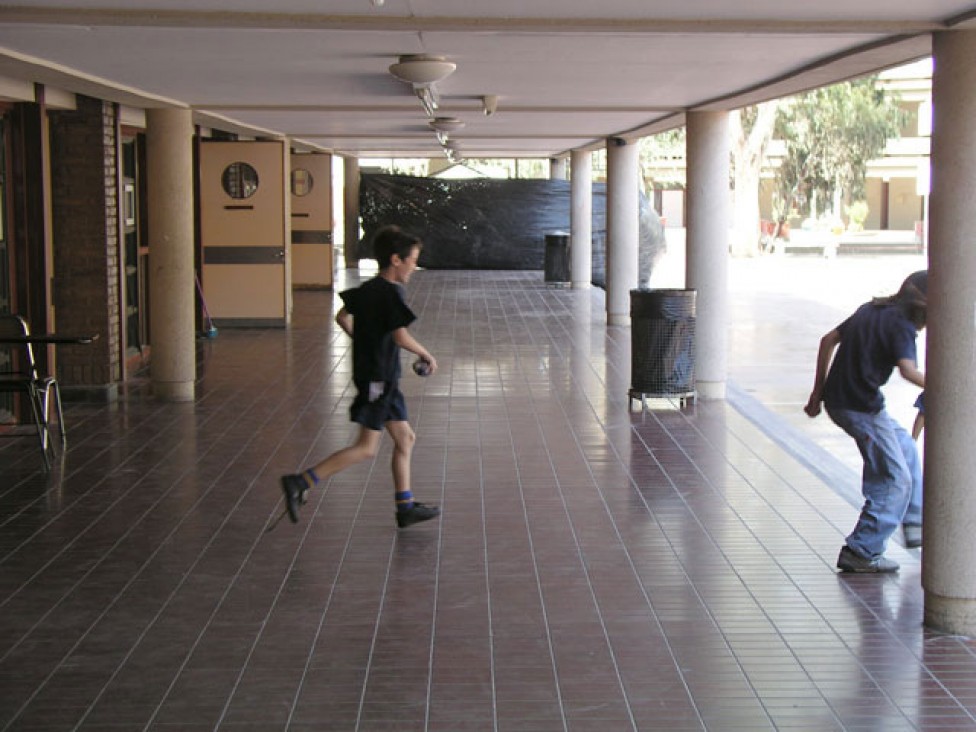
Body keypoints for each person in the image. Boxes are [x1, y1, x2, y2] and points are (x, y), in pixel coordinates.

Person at [280, 225, 441, 529]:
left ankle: (405, 506)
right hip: (379, 379)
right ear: (396, 260)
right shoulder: (391, 293)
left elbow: (341, 316)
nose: (414, 267)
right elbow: (400, 335)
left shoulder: (367, 289)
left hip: (379, 376)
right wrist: (427, 354)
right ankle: (300, 481)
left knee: (405, 438)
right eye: (412, 260)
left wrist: (363, 339)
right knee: (366, 447)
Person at [804, 270, 927, 572]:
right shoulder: (902, 326)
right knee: (893, 479)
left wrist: (817, 392)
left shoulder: (870, 309)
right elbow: (908, 371)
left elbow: (827, 340)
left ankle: (914, 522)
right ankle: (862, 549)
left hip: (848, 402)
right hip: (860, 408)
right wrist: (951, 385)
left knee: (906, 449)